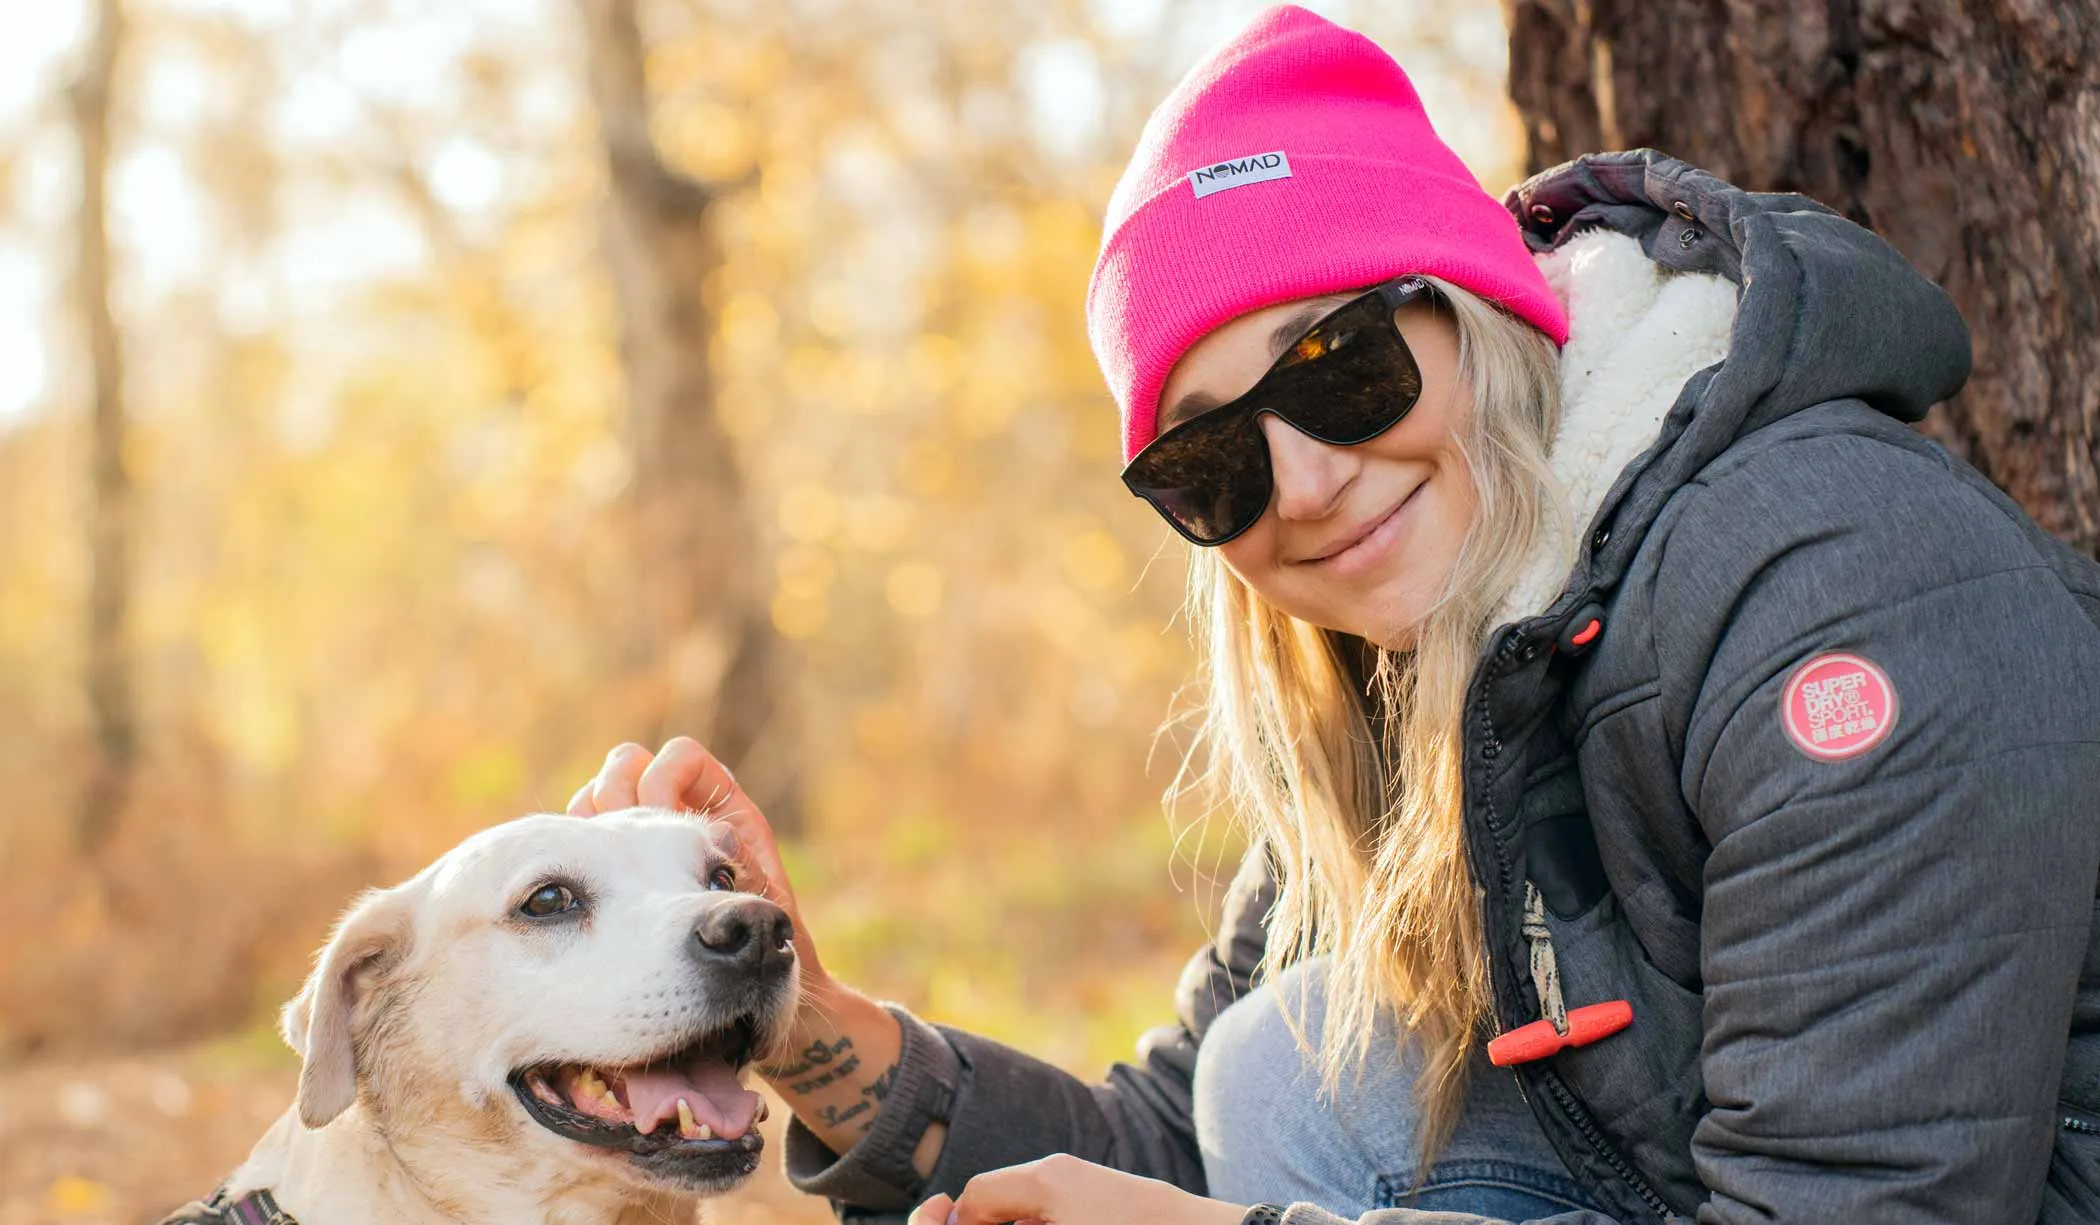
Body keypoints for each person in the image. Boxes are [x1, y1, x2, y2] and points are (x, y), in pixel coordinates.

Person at [567, 6, 2100, 1223]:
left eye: (1342, 369)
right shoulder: (1403, 657)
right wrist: (802, 1021)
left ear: (1479, 307)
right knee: (1281, 1073)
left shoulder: (1835, 589)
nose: (1300, 483)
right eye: (1213, 463)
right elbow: (1157, 1147)